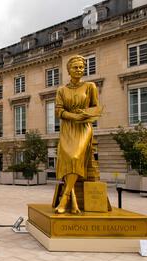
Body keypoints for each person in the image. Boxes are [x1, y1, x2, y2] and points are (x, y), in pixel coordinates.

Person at [54, 55, 102, 214]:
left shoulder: (90, 86)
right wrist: (73, 116)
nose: (79, 70)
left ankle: (65, 197)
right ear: (68, 70)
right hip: (68, 127)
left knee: (74, 157)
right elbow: (59, 111)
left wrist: (84, 115)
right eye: (75, 67)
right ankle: (73, 200)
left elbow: (95, 107)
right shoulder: (61, 90)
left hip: (83, 128)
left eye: (81, 67)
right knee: (67, 159)